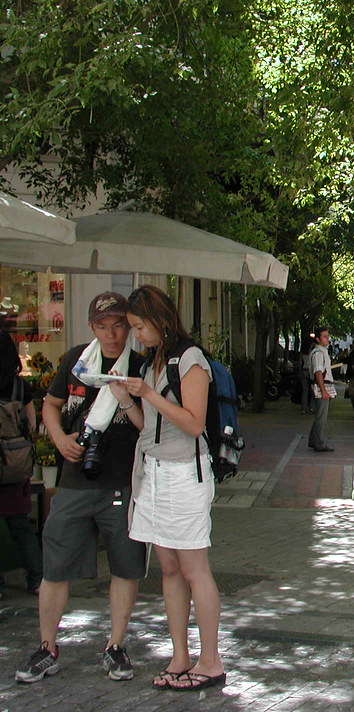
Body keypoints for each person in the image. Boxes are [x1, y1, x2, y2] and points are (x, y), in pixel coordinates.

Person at [15, 293, 146, 685]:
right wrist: (58, 439)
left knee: (125, 566)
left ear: (129, 326)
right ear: (91, 327)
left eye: (119, 325)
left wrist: (126, 401)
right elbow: (50, 405)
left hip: (121, 481)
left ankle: (116, 645)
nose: (111, 333)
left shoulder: (140, 367)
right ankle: (47, 646)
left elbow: (150, 426)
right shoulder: (77, 359)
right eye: (103, 326)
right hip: (73, 481)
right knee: (55, 566)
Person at [117, 285, 224, 691]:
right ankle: (180, 653)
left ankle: (210, 659)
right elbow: (151, 430)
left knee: (196, 569)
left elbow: (194, 424)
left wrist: (148, 394)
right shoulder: (152, 362)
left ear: (160, 321)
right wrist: (128, 401)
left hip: (185, 474)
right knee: (170, 569)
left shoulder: (190, 358)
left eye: (139, 326)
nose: (136, 335)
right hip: (154, 472)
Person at [0, 332, 42, 601]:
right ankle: (37, 578)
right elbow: (32, 423)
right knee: (20, 525)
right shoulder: (19, 386)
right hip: (15, 464)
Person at [307, 327, 335, 453]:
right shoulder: (318, 353)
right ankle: (318, 442)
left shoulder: (320, 351)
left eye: (327, 336)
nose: (327, 339)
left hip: (321, 386)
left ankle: (314, 440)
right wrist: (323, 390)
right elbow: (318, 371)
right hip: (321, 387)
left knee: (320, 415)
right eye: (324, 336)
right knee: (321, 417)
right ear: (318, 339)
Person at [298, 338, 313, 414]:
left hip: (304, 371)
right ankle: (311, 407)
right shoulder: (312, 353)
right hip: (311, 372)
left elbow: (300, 364)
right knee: (312, 390)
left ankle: (304, 407)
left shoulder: (302, 354)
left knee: (305, 390)